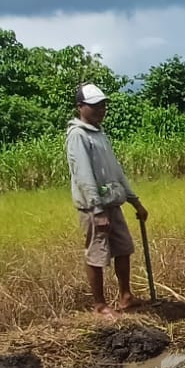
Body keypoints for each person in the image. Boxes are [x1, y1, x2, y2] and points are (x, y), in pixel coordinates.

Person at [66, 82, 149, 315]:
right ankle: (100, 305)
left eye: (102, 105)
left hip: (113, 202)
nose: (101, 109)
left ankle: (126, 296)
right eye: (95, 106)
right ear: (80, 107)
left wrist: (135, 201)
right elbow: (83, 175)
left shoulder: (99, 134)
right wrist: (97, 210)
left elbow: (116, 171)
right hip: (94, 209)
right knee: (97, 254)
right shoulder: (78, 136)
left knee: (123, 249)